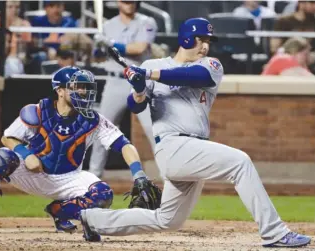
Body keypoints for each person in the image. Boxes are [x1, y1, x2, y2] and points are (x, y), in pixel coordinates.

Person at [78, 18, 312, 248]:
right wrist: (139, 89)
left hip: (193, 150)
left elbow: (193, 77)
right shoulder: (151, 66)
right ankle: (275, 232)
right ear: (187, 38)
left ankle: (93, 219)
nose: (206, 45)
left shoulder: (210, 65)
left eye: (208, 40)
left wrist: (148, 75)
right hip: (172, 146)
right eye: (201, 40)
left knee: (167, 220)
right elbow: (136, 106)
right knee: (240, 163)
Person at [0, 66, 161, 232]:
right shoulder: (38, 110)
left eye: (85, 87)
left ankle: (59, 211)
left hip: (68, 177)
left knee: (103, 195)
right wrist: (25, 154)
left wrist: (139, 175)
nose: (83, 91)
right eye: (77, 87)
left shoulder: (93, 119)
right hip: (31, 172)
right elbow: (7, 138)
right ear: (60, 91)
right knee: (1, 157)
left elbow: (124, 145)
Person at [89, 0, 158, 178]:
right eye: (125, 1)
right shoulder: (108, 25)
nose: (130, 4)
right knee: (101, 130)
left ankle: (169, 175)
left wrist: (111, 44)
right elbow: (97, 59)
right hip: (115, 81)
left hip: (139, 82)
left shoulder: (147, 22)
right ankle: (93, 178)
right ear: (118, 3)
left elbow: (139, 48)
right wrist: (98, 48)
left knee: (153, 130)